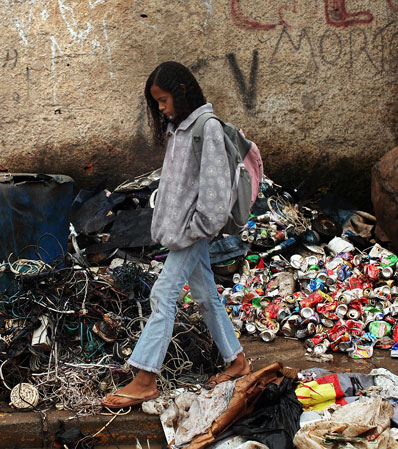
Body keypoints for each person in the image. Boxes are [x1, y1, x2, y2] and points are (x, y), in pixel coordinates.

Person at [101, 61, 250, 409]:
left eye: (163, 99)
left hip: (190, 232)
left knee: (162, 296)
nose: (161, 108)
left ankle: (144, 378)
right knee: (206, 294)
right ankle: (237, 360)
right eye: (156, 103)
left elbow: (214, 193)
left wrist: (194, 230)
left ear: (182, 91)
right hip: (181, 232)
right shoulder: (182, 128)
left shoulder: (206, 128)